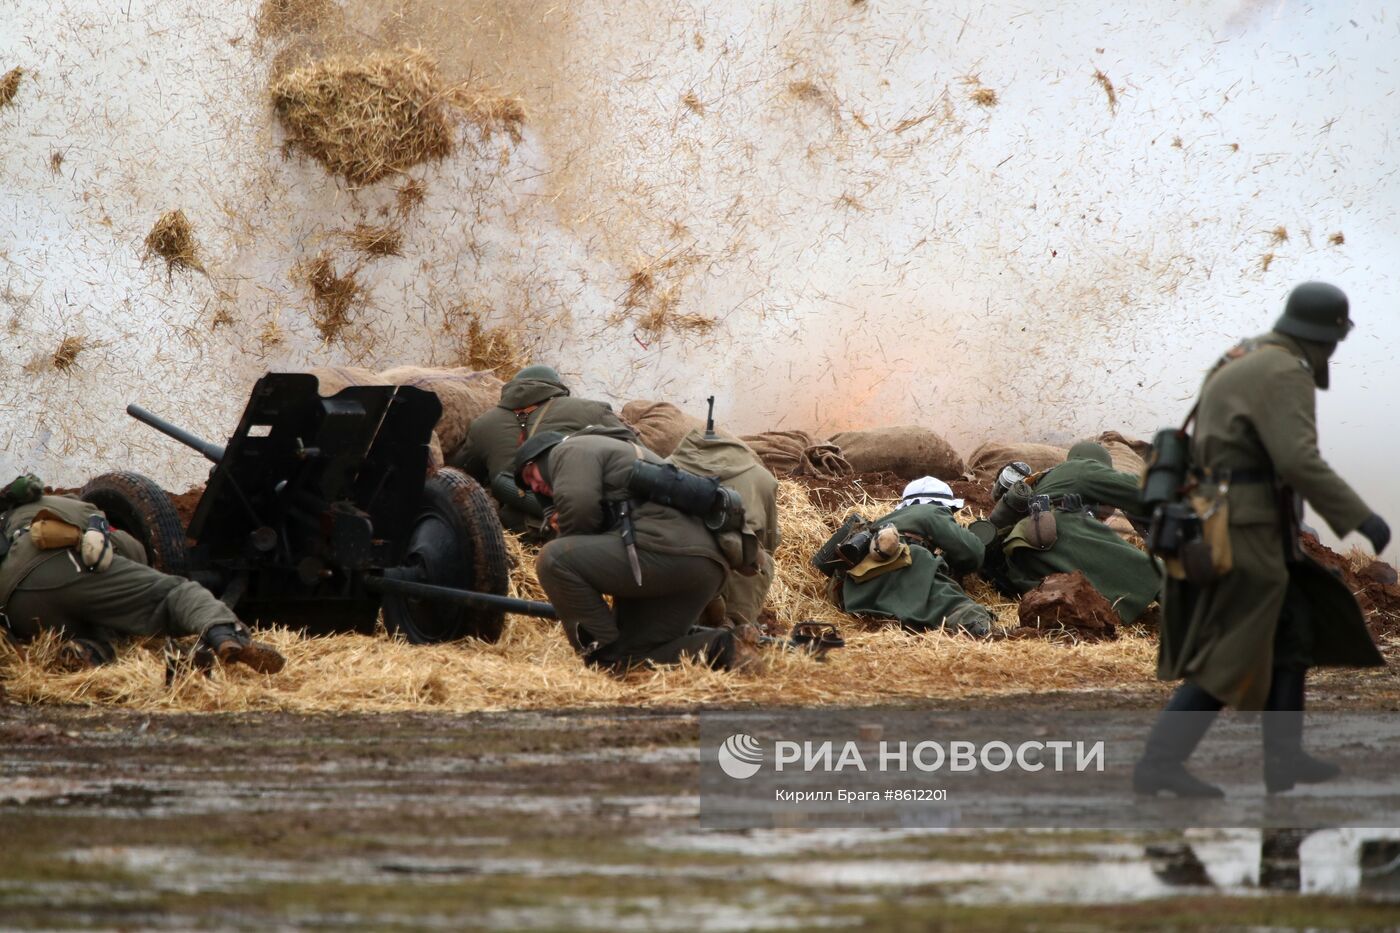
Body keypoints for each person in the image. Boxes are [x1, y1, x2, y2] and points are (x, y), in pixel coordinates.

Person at [1135, 281, 1388, 797]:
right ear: (1328, 336)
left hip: (1232, 519)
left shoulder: (1242, 355)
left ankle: (1284, 758)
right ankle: (1160, 761)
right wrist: (1360, 517)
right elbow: (1297, 459)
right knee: (1235, 648)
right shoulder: (1283, 371)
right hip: (1245, 527)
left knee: (1289, 631)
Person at [0, 476, 284, 673]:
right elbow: (129, 551)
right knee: (177, 592)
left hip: (18, 605)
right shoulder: (83, 510)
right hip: (64, 565)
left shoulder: (8, 523)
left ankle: (89, 653)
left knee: (108, 631)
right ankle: (226, 635)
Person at [514, 431, 738, 672]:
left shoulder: (569, 450)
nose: (535, 486)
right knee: (635, 656)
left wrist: (565, 537)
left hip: (663, 552)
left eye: (531, 475)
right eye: (530, 487)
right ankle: (727, 648)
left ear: (541, 457)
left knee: (554, 559)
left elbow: (580, 509)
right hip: (703, 566)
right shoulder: (619, 449)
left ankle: (603, 659)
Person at [987, 442, 1160, 624]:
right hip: (1054, 534)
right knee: (1155, 572)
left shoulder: (1046, 479)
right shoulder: (1082, 468)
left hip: (1022, 558)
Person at [452, 365, 630, 531]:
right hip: (593, 517)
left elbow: (459, 475)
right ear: (557, 387)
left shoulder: (484, 424)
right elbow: (635, 451)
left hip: (519, 526)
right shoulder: (591, 409)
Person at [826, 477, 994, 636]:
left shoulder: (885, 521)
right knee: (965, 612)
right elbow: (973, 552)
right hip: (900, 571)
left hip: (856, 594)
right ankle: (985, 634)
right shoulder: (932, 511)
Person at [669, 427, 780, 630]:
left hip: (675, 576)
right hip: (735, 578)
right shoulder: (762, 479)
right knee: (762, 562)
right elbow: (770, 541)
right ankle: (735, 624)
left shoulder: (664, 470)